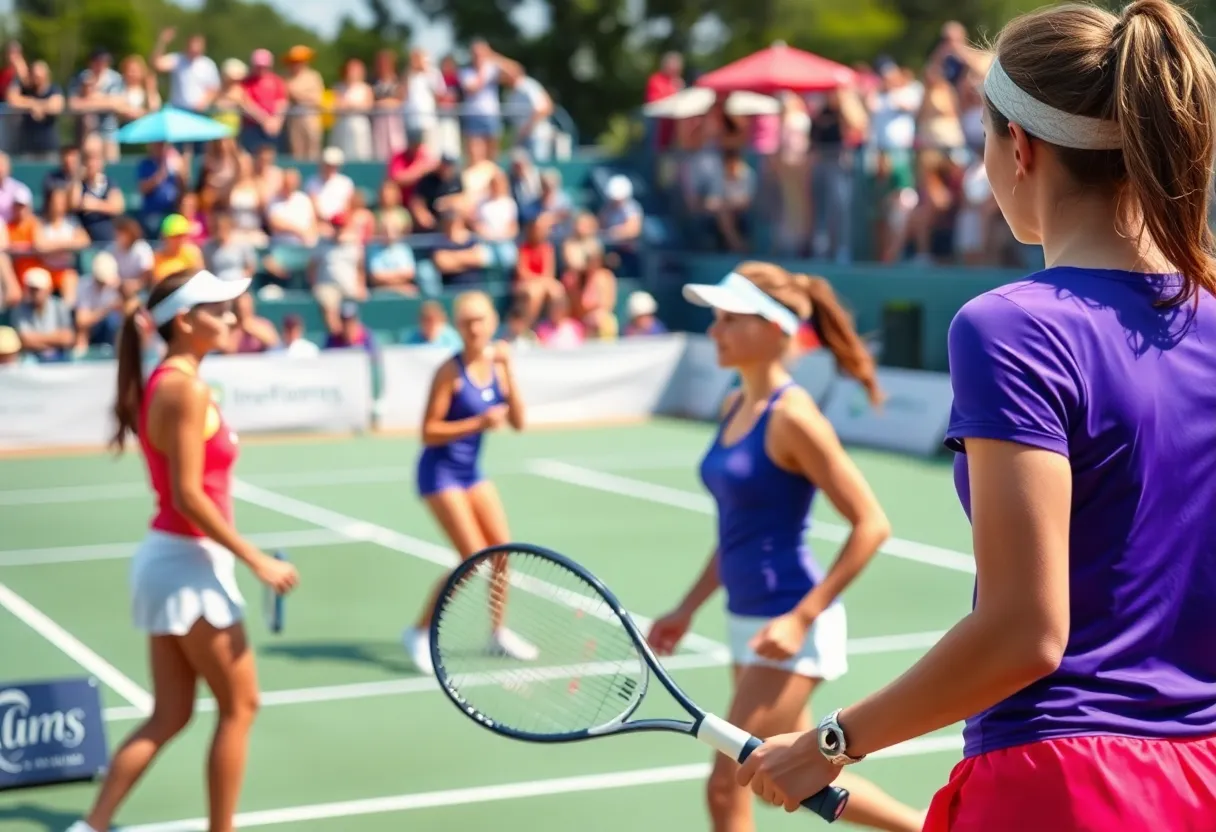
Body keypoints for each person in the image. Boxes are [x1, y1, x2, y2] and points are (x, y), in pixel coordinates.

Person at [734, 2, 1216, 830]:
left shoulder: (1013, 327)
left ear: (1019, 147)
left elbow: (1026, 632)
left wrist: (832, 742)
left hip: (1063, 783)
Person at [647, 262, 925, 832]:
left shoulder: (794, 416)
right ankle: (928, 827)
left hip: (788, 623)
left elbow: (871, 524)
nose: (715, 332)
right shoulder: (733, 407)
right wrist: (687, 607)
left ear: (775, 329)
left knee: (728, 785)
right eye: (716, 319)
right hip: (745, 619)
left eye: (730, 319)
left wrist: (801, 618)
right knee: (789, 781)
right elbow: (737, 532)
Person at [67, 269, 299, 832]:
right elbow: (189, 496)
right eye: (218, 309)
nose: (232, 318)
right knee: (241, 708)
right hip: (189, 564)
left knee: (169, 715)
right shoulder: (186, 387)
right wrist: (256, 559)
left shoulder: (175, 380)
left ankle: (91, 825)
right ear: (186, 320)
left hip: (172, 560)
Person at [402, 290, 534, 674]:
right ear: (457, 327)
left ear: (492, 323)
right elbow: (428, 431)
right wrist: (477, 423)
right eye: (465, 322)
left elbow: (518, 422)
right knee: (471, 558)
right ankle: (419, 630)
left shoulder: (497, 365)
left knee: (502, 552)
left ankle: (497, 633)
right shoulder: (449, 371)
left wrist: (509, 370)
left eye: (479, 320)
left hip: (471, 473)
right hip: (439, 473)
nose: (473, 328)